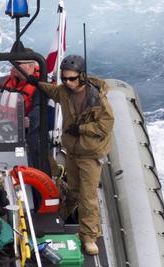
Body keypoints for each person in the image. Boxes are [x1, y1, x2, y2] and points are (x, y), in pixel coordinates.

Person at [29, 53, 114, 256]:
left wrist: (82, 129)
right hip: (73, 151)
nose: (68, 82)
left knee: (88, 195)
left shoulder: (97, 99)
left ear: (82, 76)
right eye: (64, 78)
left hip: (90, 153)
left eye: (72, 79)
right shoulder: (65, 93)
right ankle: (61, 219)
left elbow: (106, 125)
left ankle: (89, 236)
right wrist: (37, 83)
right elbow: (52, 91)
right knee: (74, 190)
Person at [0, 59, 40, 165]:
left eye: (18, 64)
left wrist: (30, 120)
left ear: (30, 66)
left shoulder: (39, 86)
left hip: (28, 134)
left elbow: (40, 108)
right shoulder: (9, 82)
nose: (14, 66)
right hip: (5, 131)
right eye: (13, 63)